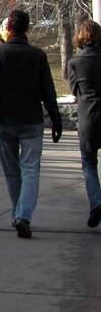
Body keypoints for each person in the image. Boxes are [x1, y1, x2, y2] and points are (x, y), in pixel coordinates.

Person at [0, 9, 62, 239]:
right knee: (31, 169)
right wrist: (55, 118)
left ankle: (18, 214)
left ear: (9, 29)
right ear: (27, 29)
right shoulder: (37, 56)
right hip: (31, 120)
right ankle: (23, 216)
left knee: (12, 172)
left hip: (5, 120)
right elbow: (48, 92)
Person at [65, 19, 101, 228]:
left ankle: (96, 201)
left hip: (88, 114)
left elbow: (74, 92)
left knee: (88, 163)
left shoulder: (75, 62)